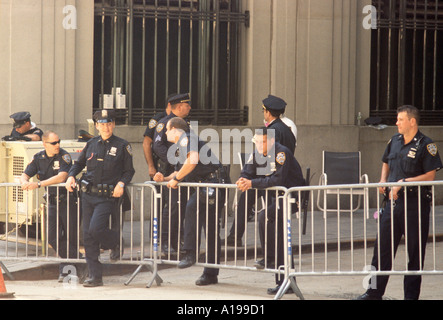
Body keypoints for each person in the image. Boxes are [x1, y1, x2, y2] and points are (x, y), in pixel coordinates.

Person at [356, 105, 442, 300]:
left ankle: (410, 297)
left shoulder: (426, 145)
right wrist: (383, 179)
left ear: (412, 121)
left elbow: (430, 176)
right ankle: (373, 292)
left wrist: (404, 182)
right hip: (392, 206)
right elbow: (386, 161)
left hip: (415, 206)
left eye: (400, 119)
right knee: (381, 250)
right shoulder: (394, 141)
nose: (396, 123)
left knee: (414, 253)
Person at [154, 117, 229, 286]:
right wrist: (164, 178)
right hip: (206, 185)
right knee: (210, 228)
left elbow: (192, 161)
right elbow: (179, 171)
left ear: (174, 129)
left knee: (192, 208)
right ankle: (210, 273)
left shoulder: (188, 137)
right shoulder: (179, 146)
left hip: (213, 183)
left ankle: (190, 253)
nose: (165, 132)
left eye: (167, 129)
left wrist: (177, 179)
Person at [65, 109, 135, 287]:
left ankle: (116, 241)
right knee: (88, 236)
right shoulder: (91, 144)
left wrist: (121, 184)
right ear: (96, 126)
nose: (106, 127)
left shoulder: (122, 145)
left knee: (96, 229)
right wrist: (71, 176)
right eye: (102, 124)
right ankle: (95, 276)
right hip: (88, 195)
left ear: (113, 125)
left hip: (107, 197)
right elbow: (79, 163)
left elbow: (129, 171)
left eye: (109, 123)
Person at [236, 127, 305, 295]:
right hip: (277, 198)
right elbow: (247, 170)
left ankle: (268, 258)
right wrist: (243, 179)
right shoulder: (258, 152)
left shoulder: (282, 153)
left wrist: (252, 184)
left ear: (272, 141)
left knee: (265, 216)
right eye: (257, 141)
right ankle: (285, 282)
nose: (259, 145)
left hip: (291, 197)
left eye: (263, 141)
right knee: (279, 238)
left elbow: (277, 179)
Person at [20, 131, 82, 282]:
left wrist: (39, 184)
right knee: (52, 238)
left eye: (58, 142)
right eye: (54, 143)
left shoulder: (64, 156)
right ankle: (81, 260)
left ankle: (67, 271)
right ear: (44, 144)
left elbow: (62, 176)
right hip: (52, 203)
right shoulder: (38, 157)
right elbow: (25, 174)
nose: (57, 145)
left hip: (68, 201)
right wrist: (24, 182)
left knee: (70, 238)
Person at [153, 93, 192, 255]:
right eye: (187, 105)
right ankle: (166, 242)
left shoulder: (185, 124)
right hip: (170, 171)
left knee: (182, 207)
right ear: (179, 106)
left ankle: (178, 241)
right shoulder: (164, 124)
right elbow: (157, 146)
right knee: (171, 208)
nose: (190, 107)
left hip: (183, 170)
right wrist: (174, 159)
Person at [143, 94, 174, 179]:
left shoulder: (179, 120)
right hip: (160, 166)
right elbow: (146, 143)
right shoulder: (157, 120)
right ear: (169, 105)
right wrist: (151, 166)